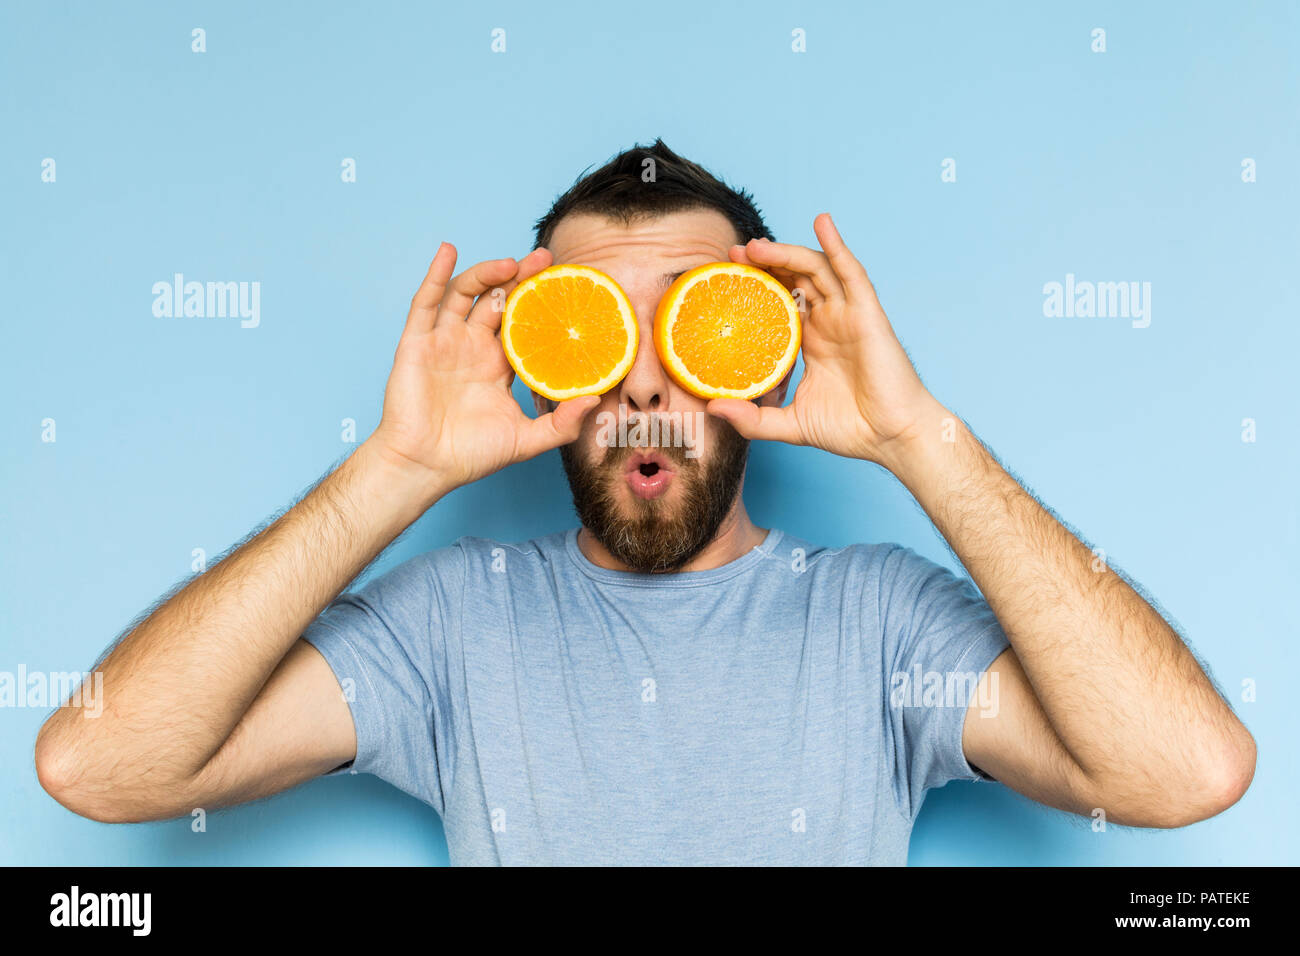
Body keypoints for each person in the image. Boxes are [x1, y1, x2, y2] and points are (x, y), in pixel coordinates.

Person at [34, 140, 1255, 865]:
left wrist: (919, 438)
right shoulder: (455, 625)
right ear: (538, 358)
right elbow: (98, 767)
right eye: (593, 328)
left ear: (761, 352)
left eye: (693, 321)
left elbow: (1186, 773)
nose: (643, 381)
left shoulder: (879, 624)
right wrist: (393, 471)